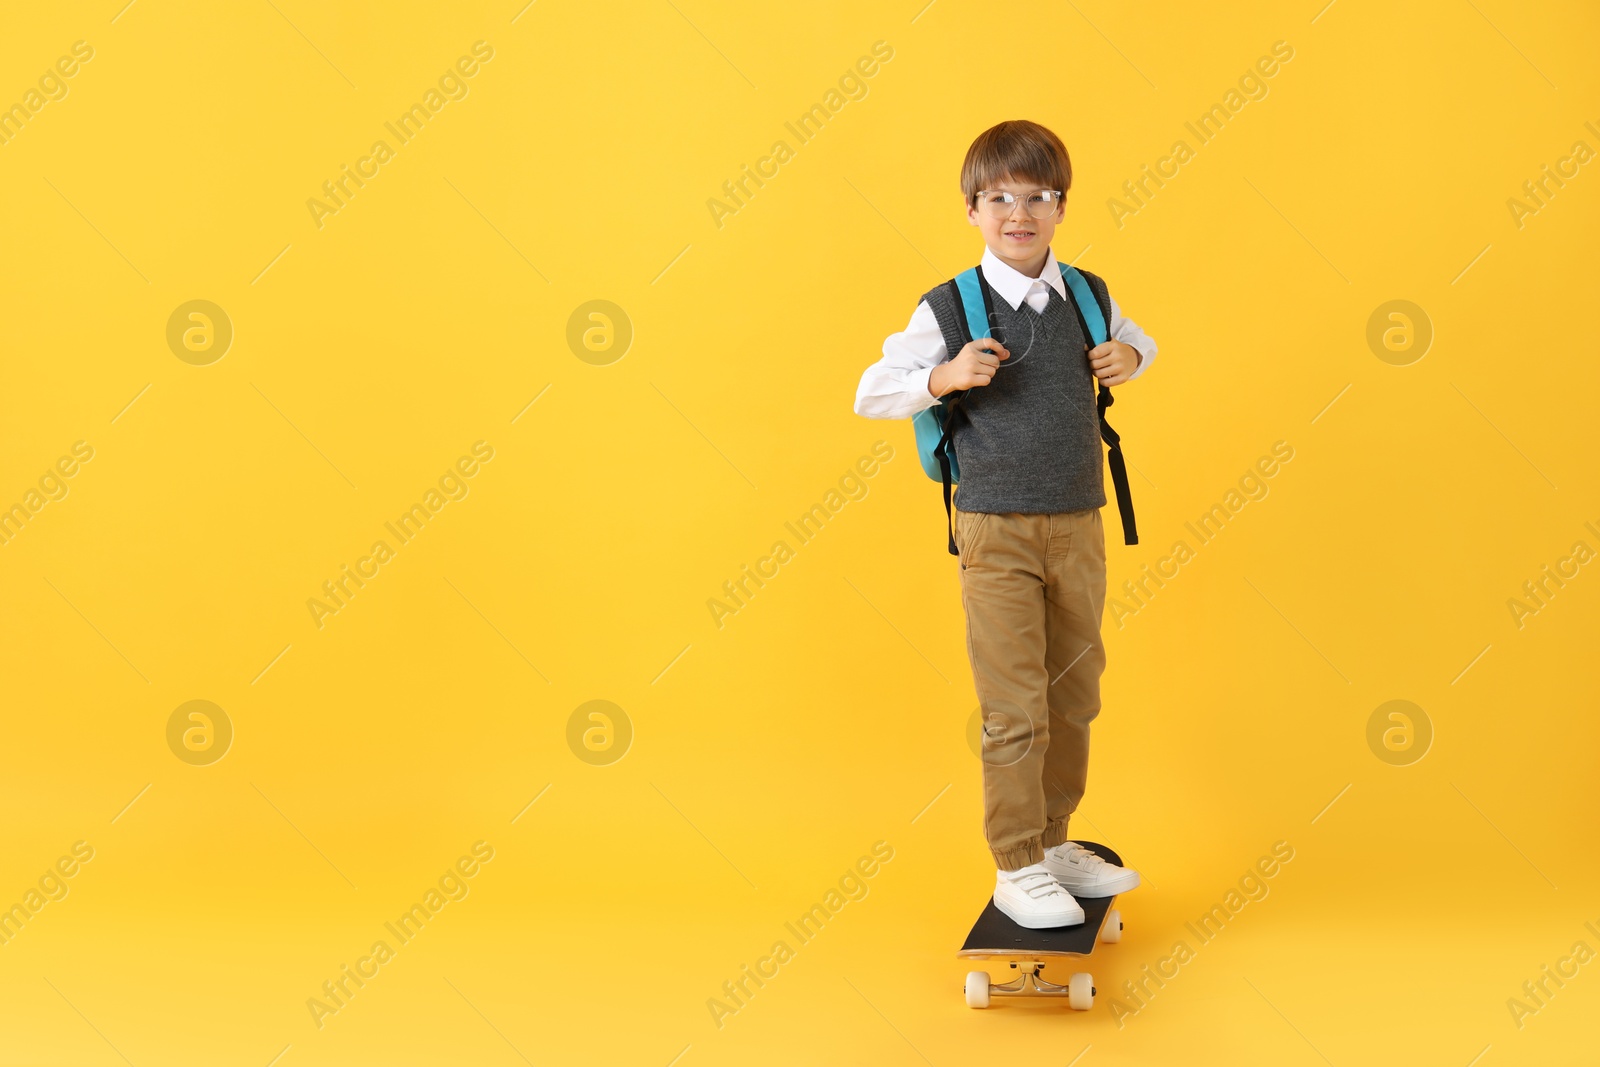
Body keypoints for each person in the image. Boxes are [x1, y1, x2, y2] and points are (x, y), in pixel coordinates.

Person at [853, 119, 1157, 929]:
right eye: (999, 199)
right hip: (995, 530)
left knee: (1075, 693)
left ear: (1061, 206)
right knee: (1014, 706)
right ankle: (1017, 862)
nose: (1018, 213)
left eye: (1037, 197)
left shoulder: (1087, 294)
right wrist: (944, 375)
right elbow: (872, 390)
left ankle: (1056, 842)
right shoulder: (950, 306)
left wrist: (1131, 359)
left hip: (1079, 525)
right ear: (972, 209)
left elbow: (1140, 345)